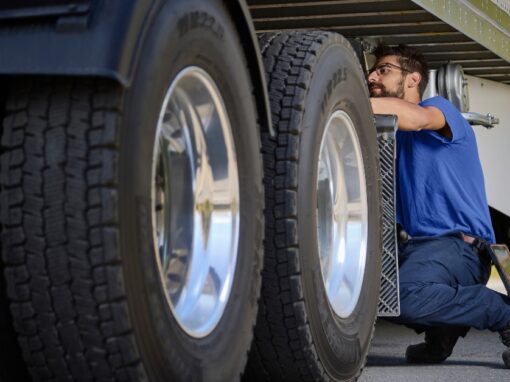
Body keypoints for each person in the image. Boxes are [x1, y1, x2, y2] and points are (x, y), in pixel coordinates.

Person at [368, 44, 510, 367]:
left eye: (384, 69)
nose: (372, 75)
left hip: (458, 249)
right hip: (417, 247)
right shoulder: (394, 139)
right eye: (373, 71)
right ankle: (443, 330)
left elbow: (417, 119)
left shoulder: (439, 111)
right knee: (360, 295)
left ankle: (499, 310)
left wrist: (351, 96)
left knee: (400, 297)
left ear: (412, 78)